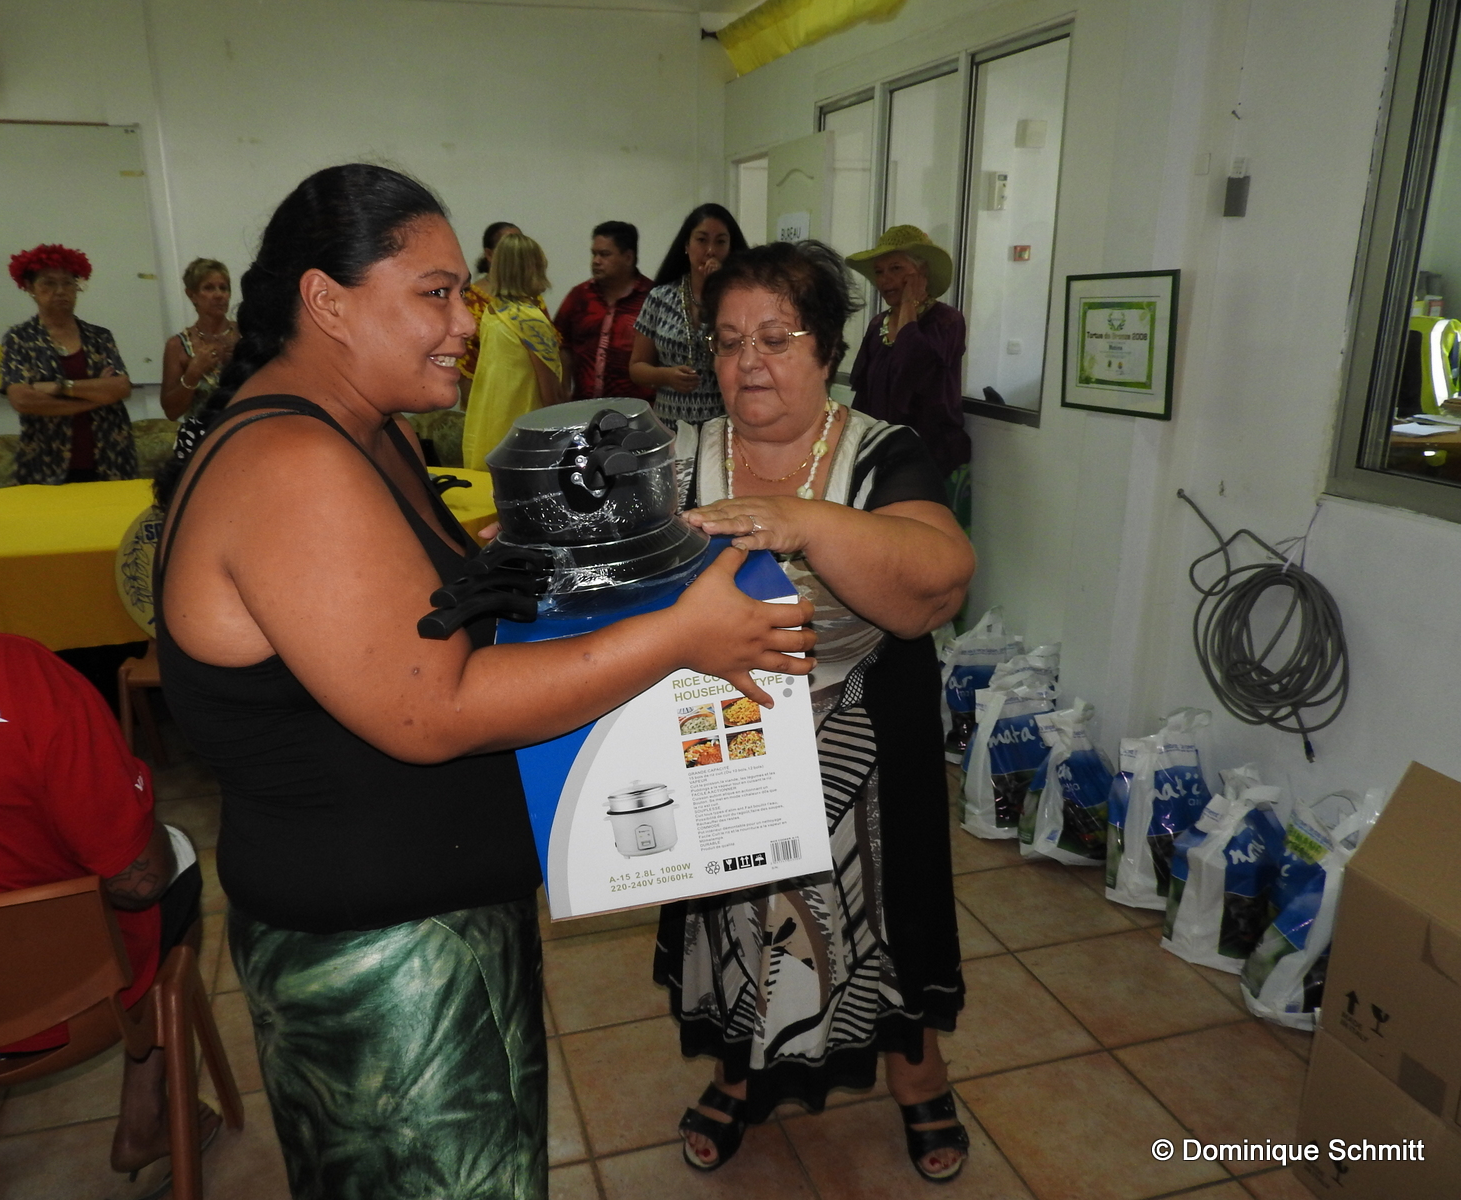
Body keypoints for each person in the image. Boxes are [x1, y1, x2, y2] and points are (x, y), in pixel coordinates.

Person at [152, 164, 814, 1200]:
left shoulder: (363, 429)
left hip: (433, 916)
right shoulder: (293, 463)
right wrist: (682, 637)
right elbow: (432, 708)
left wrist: (526, 545)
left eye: (462, 292)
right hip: (385, 951)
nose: (467, 322)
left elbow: (407, 604)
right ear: (327, 301)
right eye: (436, 293)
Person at [653, 240, 978, 1183]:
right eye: (728, 341)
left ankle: (917, 1075)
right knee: (734, 916)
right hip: (725, 743)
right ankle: (736, 1070)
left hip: (859, 745)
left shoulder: (882, 451)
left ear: (827, 352)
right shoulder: (677, 457)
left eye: (776, 338)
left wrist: (805, 521)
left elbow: (941, 583)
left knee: (882, 919)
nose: (749, 361)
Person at [0, 440, 213, 1198]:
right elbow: (138, 880)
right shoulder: (11, 672)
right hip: (60, 1007)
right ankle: (146, 1116)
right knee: (175, 858)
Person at [845, 226, 972, 528]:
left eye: (896, 269)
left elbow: (913, 371)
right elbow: (863, 393)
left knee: (930, 542)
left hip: (933, 456)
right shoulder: (878, 324)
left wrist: (909, 308)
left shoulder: (947, 321)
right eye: (879, 272)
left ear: (921, 273)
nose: (885, 280)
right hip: (882, 455)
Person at [1, 244, 136, 485]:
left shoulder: (100, 337)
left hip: (110, 457)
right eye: (49, 283)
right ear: (30, 287)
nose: (60, 291)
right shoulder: (19, 338)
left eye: (68, 283)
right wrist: (96, 398)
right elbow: (23, 400)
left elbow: (121, 387)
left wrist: (59, 387)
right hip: (46, 462)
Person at [630, 204, 749, 427]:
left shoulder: (740, 300)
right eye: (702, 240)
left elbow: (744, 360)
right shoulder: (660, 297)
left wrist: (719, 289)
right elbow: (637, 368)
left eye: (720, 242)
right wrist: (666, 376)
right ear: (687, 245)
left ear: (731, 249)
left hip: (721, 423)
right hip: (669, 423)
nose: (710, 250)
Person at [461, 232, 566, 469]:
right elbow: (550, 396)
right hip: (523, 436)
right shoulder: (530, 320)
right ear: (533, 268)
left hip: (489, 427)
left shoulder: (492, 311)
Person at [553, 221, 654, 401]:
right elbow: (560, 343)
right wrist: (563, 387)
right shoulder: (580, 296)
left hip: (635, 411)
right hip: (583, 408)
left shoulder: (653, 299)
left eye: (604, 254)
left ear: (628, 257)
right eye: (594, 254)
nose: (596, 261)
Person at [160, 257, 238, 421]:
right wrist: (193, 372)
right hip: (203, 432)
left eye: (223, 288)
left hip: (245, 428)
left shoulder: (245, 334)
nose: (219, 295)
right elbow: (171, 412)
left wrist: (242, 358)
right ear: (192, 295)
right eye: (208, 288)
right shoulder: (178, 345)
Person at [457, 220, 521, 388]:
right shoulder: (470, 300)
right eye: (508, 249)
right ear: (489, 254)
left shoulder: (533, 298)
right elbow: (465, 364)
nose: (517, 256)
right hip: (488, 394)